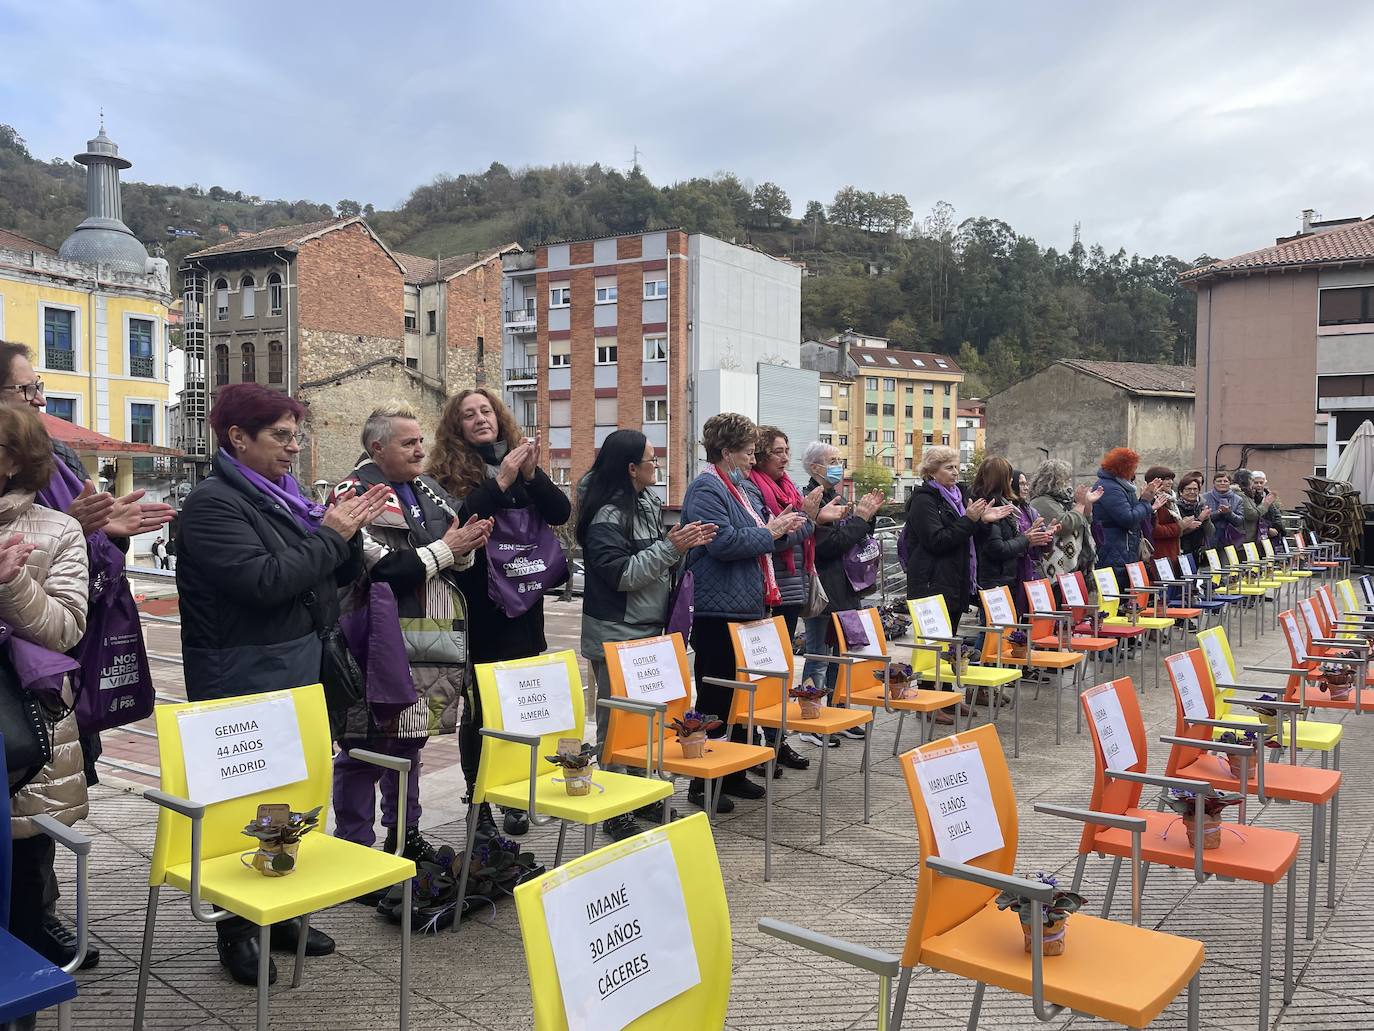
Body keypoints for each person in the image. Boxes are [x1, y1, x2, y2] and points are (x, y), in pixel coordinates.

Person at [177, 383, 390, 986]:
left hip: (298, 667)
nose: (293, 448)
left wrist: (343, 538)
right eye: (281, 435)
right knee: (243, 802)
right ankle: (237, 929)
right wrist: (331, 535)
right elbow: (265, 581)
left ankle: (286, 910)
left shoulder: (288, 498)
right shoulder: (213, 505)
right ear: (237, 437)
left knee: (294, 793)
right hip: (242, 672)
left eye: (297, 435)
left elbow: (329, 578)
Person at [0, 339, 171, 969]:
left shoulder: (59, 476)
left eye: (38, 389)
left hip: (42, 685)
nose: (38, 402)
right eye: (26, 391)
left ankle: (33, 921)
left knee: (38, 810)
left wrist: (84, 531)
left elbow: (68, 615)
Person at [329, 402, 492, 878]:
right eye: (408, 443)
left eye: (421, 440)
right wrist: (450, 549)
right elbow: (382, 569)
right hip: (374, 638)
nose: (421, 449)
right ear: (377, 448)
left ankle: (405, 837)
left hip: (429, 636)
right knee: (363, 745)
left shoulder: (428, 490)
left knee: (410, 743)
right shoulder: (351, 492)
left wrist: (466, 550)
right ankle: (354, 848)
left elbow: (447, 555)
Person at [426, 388, 571, 841]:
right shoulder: (444, 474)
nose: (480, 419)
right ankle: (479, 799)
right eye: (468, 415)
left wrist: (530, 474)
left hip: (525, 607)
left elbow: (561, 512)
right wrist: (500, 483)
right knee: (484, 710)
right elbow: (459, 523)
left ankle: (513, 792)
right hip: (481, 606)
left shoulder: (517, 461)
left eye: (486, 411)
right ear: (456, 426)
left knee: (521, 707)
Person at [576, 429, 715, 839]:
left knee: (646, 725)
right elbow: (623, 576)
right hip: (616, 633)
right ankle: (615, 807)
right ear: (631, 468)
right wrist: (672, 548)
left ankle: (642, 798)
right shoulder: (607, 515)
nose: (658, 466)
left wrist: (681, 546)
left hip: (647, 630)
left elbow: (656, 560)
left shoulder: (647, 502)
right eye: (652, 461)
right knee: (617, 725)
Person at [0, 406, 90, 980]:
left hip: (23, 728)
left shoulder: (56, 529)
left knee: (24, 871)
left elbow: (63, 628)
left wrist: (10, 584)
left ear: (11, 461)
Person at [678, 413, 804, 812]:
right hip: (717, 611)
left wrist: (782, 526)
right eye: (748, 452)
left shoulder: (741, 487)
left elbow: (766, 530)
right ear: (726, 452)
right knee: (716, 695)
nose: (754, 459)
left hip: (746, 605)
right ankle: (704, 783)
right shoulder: (706, 488)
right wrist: (771, 532)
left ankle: (732, 773)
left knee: (739, 696)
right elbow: (722, 541)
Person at [745, 427, 844, 760]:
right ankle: (761, 742)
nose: (785, 457)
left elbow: (798, 531)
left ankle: (776, 741)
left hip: (791, 587)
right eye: (777, 451)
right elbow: (777, 537)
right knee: (764, 671)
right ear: (758, 454)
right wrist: (810, 519)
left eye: (787, 450)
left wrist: (811, 519)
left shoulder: (786, 487)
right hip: (769, 591)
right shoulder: (754, 489)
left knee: (780, 669)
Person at [797, 440, 883, 713]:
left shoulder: (836, 495)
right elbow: (828, 546)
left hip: (845, 588)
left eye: (840, 461)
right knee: (819, 656)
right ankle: (811, 714)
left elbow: (854, 537)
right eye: (833, 461)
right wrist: (859, 519)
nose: (839, 467)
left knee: (841, 655)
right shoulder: (812, 499)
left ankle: (837, 711)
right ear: (814, 467)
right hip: (824, 591)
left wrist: (866, 518)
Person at [904, 445, 1002, 626]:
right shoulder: (924, 500)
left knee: (950, 645)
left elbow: (971, 538)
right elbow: (937, 541)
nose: (955, 472)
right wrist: (969, 520)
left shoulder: (961, 496)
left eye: (956, 467)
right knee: (935, 646)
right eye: (949, 468)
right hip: (932, 584)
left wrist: (983, 522)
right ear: (932, 472)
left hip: (956, 581)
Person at [971, 458, 1051, 611]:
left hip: (1004, 577)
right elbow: (997, 548)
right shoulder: (990, 506)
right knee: (993, 630)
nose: (1012, 481)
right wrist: (1025, 539)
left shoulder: (1003, 505)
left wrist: (1031, 536)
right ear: (1002, 479)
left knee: (1004, 630)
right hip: (994, 581)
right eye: (1009, 477)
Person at [1091, 448, 1163, 581]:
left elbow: (1135, 513)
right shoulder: (1110, 487)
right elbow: (1128, 518)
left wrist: (1148, 506)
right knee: (1118, 593)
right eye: (1133, 468)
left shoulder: (1123, 486)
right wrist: (1145, 501)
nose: (1135, 472)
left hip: (1125, 548)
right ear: (1124, 468)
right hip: (1113, 549)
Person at [1027, 459, 1100, 585]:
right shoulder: (1041, 501)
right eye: (1065, 479)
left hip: (1072, 565)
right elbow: (1065, 524)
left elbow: (1083, 521)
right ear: (1053, 480)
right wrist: (1081, 504)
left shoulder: (1063, 500)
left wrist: (1087, 504)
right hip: (1055, 566)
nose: (1068, 483)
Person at [1142, 466, 1184, 562]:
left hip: (1173, 552)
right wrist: (1179, 527)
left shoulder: (1171, 500)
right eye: (1166, 479)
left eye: (1171, 479)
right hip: (1159, 555)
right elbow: (1153, 530)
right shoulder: (1152, 500)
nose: (1171, 482)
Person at [1175, 472, 1213, 563]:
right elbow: (1180, 532)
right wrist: (1199, 519)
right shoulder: (1176, 507)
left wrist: (1206, 519)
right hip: (1182, 551)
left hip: (1199, 550)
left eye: (1195, 489)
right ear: (1181, 491)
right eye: (1188, 489)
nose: (1192, 492)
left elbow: (1211, 532)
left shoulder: (1200, 506)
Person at [1203, 471, 1244, 549]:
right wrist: (1218, 513)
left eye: (1225, 481)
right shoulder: (1204, 498)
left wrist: (1229, 513)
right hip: (1209, 539)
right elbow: (1202, 518)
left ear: (1229, 483)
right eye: (1219, 481)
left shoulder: (1238, 499)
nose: (1222, 483)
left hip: (1230, 539)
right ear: (1214, 483)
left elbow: (1240, 521)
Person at [1250, 470, 1284, 541]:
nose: (1259, 485)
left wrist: (1277, 529)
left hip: (1271, 535)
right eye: (1256, 483)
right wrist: (1267, 529)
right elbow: (1254, 515)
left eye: (1261, 483)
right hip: (1257, 534)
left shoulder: (1269, 496)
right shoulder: (1250, 498)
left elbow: (1277, 514)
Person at [1231, 469, 1262, 545]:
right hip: (1243, 539)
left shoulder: (1246, 494)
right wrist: (1266, 504)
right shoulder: (1240, 495)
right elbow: (1251, 514)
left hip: (1246, 538)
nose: (1253, 483)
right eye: (1252, 480)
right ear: (1246, 480)